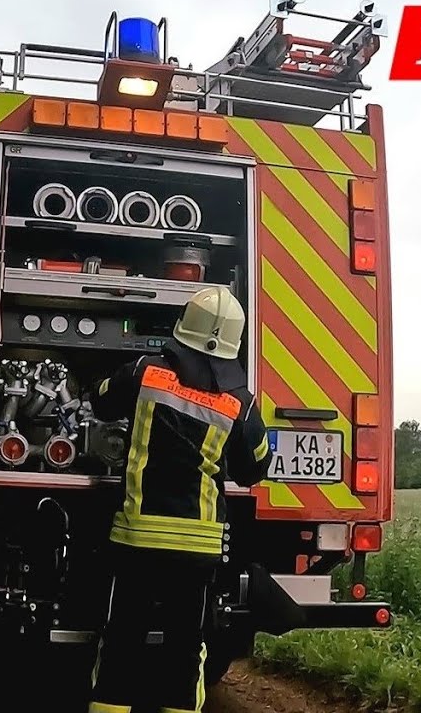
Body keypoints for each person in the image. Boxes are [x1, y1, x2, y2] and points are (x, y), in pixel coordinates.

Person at [85, 286, 273, 713]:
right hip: (197, 550)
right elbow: (255, 467)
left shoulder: (144, 372)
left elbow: (101, 401)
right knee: (185, 651)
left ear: (184, 327)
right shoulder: (240, 405)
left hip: (137, 540)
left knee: (121, 643)